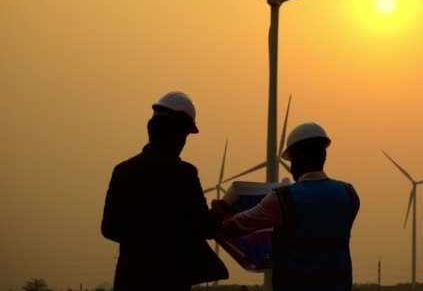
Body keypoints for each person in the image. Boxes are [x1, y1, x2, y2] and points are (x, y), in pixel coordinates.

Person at [102, 91, 228, 291]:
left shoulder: (122, 171)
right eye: (185, 134)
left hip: (128, 280)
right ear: (178, 134)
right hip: (170, 281)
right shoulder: (184, 173)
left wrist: (140, 241)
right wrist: (220, 210)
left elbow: (108, 228)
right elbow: (206, 228)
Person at [214, 122, 360, 291]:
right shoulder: (349, 194)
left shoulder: (283, 198)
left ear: (298, 157)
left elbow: (236, 226)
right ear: (324, 156)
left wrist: (220, 210)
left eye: (291, 159)